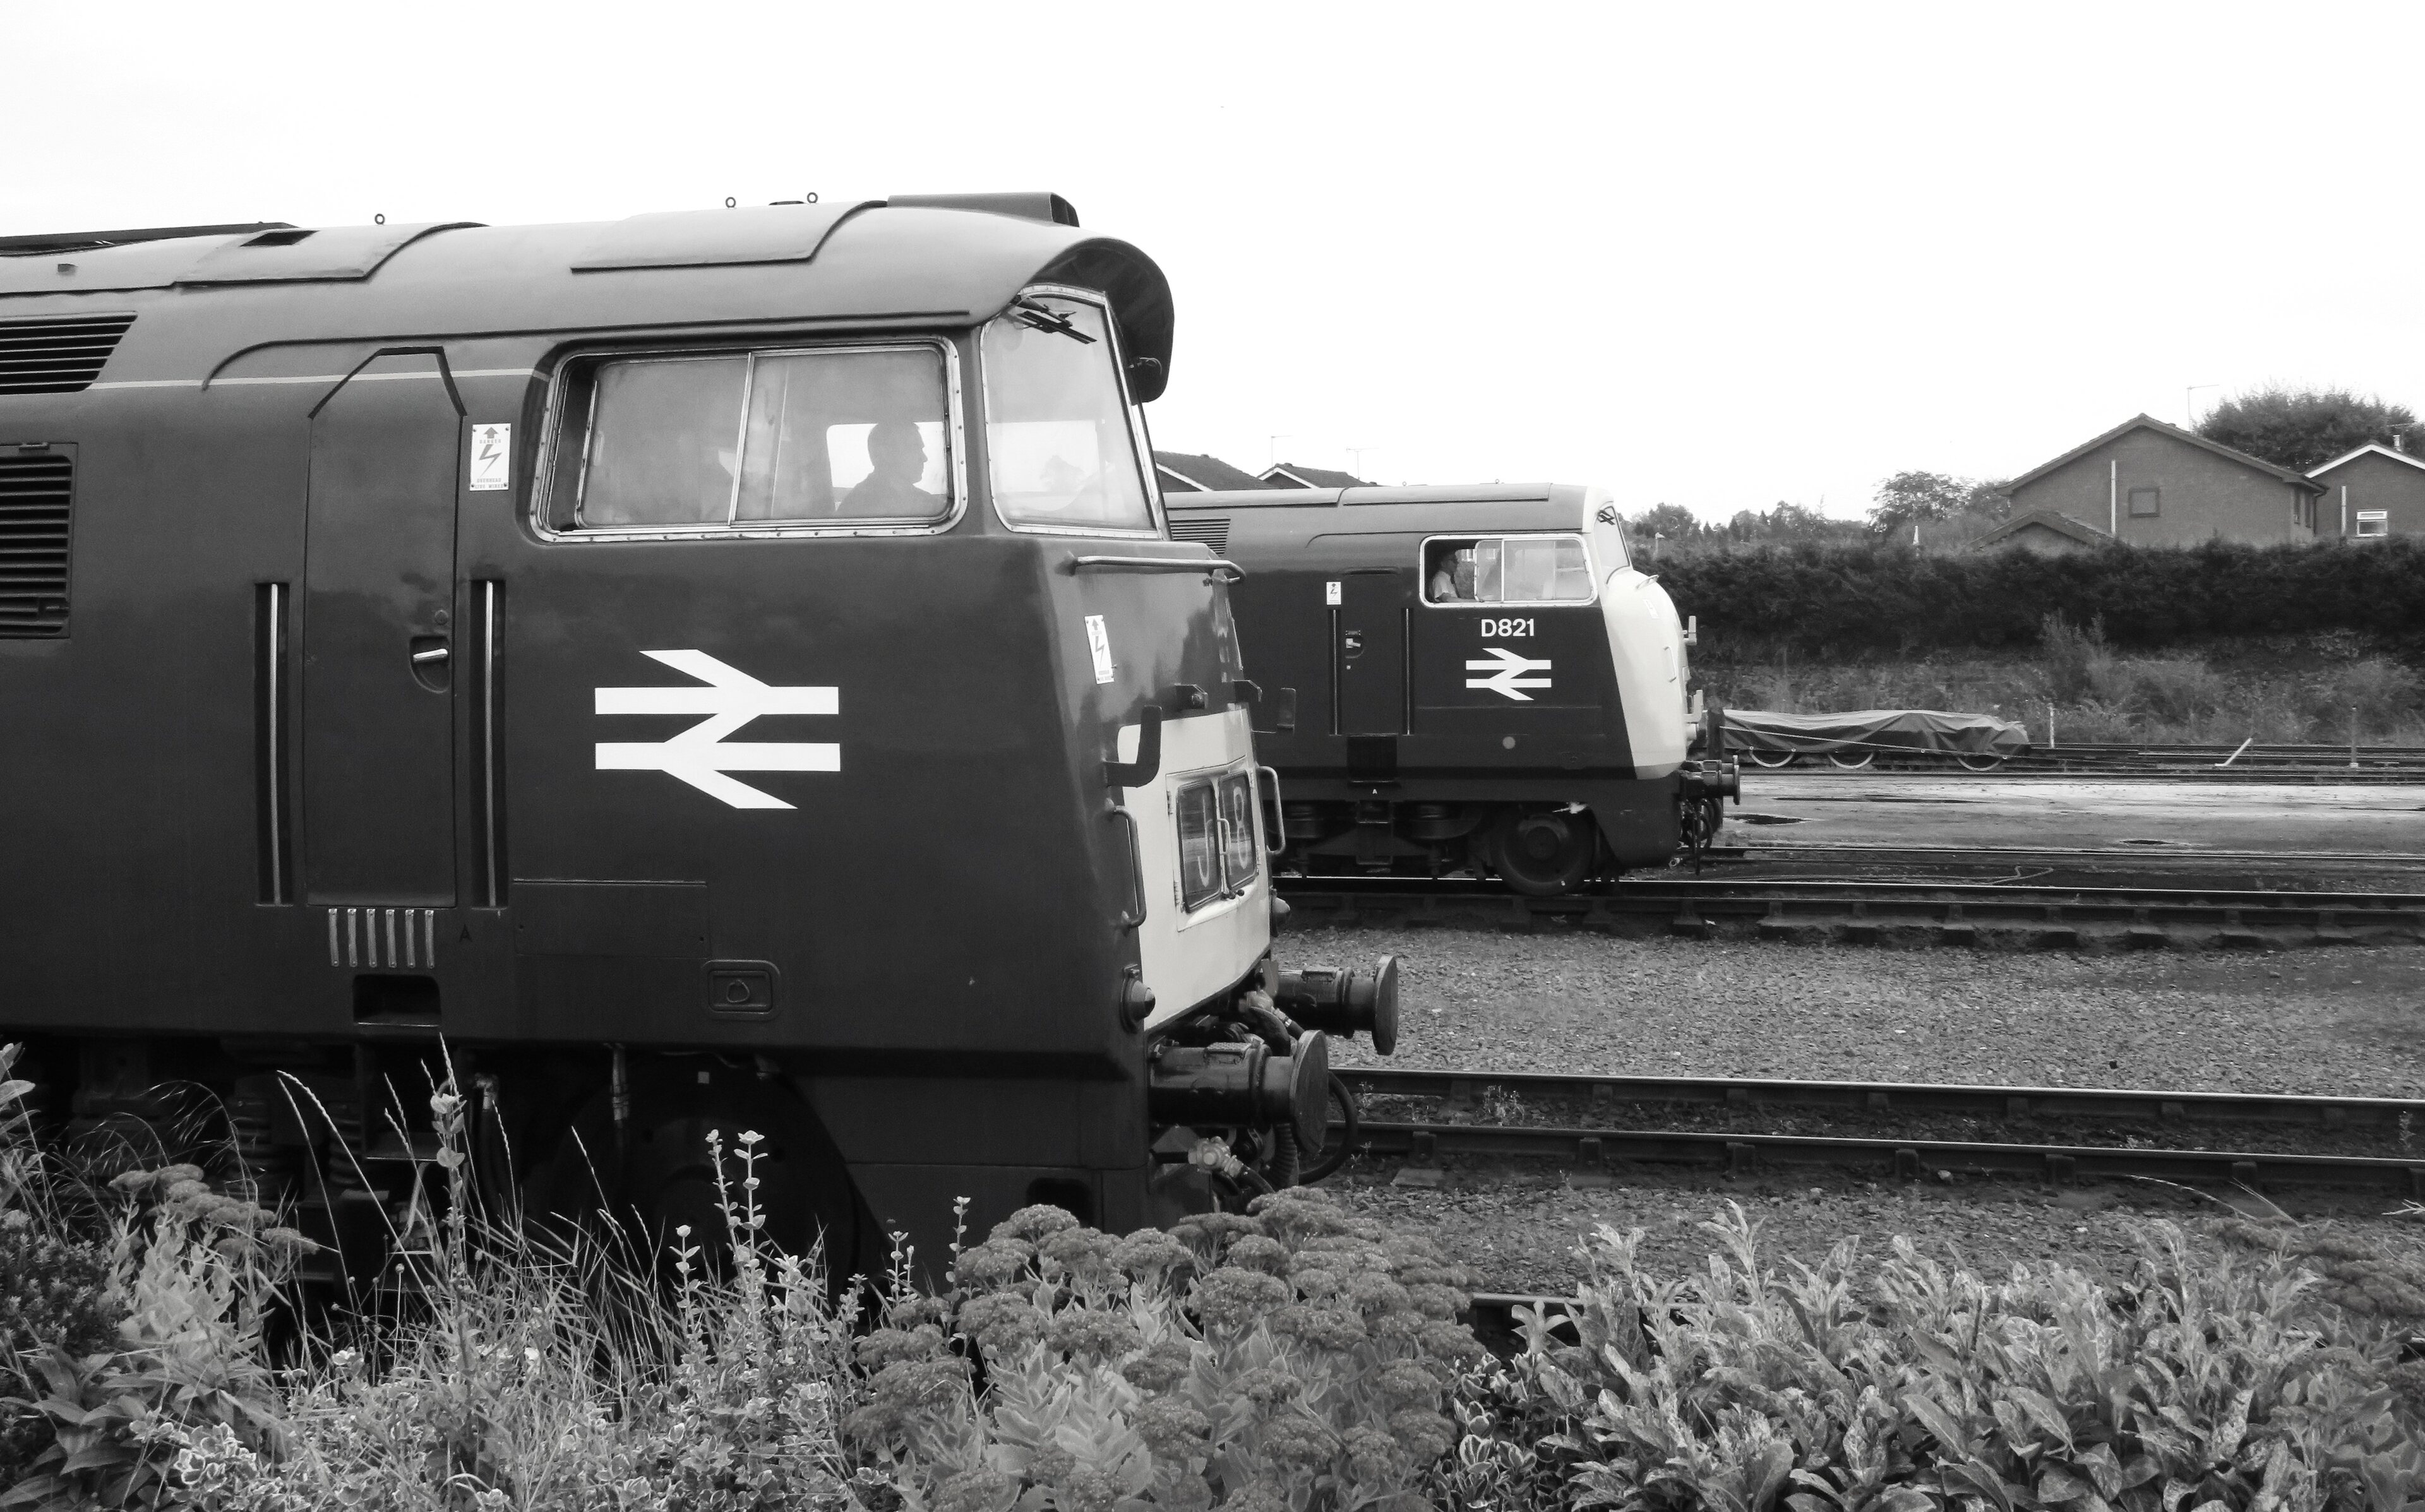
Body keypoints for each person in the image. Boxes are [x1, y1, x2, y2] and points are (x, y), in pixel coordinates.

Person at [840, 420, 940, 516]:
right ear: (885, 454)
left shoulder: (927, 503)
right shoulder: (859, 504)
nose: (924, 458)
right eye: (913, 449)